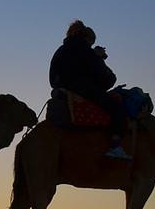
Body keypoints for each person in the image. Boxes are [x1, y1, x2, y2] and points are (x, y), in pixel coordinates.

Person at [49, 20, 131, 159]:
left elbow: (53, 78)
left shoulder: (61, 50)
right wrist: (99, 58)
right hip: (83, 91)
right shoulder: (87, 52)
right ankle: (115, 145)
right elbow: (108, 79)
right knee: (117, 108)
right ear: (88, 39)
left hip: (62, 92)